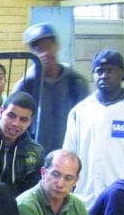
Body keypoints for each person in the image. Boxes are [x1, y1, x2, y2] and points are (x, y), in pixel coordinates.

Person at [63, 50, 124, 208]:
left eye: (110, 70)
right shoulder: (79, 111)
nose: (104, 75)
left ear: (122, 74)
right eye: (99, 71)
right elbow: (69, 157)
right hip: (85, 203)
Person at [13, 23, 90, 153]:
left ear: (57, 45)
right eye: (38, 49)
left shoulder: (75, 82)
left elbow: (86, 120)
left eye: (48, 46)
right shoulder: (26, 85)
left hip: (69, 155)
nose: (44, 53)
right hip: (33, 157)